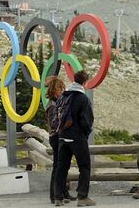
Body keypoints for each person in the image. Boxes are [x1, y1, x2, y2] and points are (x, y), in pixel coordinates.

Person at [54, 70, 95, 207]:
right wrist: (85, 134)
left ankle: (58, 197)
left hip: (62, 136)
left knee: (62, 167)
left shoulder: (64, 96)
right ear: (85, 82)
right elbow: (86, 121)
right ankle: (82, 197)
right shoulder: (83, 98)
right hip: (77, 138)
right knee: (84, 166)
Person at [45, 76, 76, 205]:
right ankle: (54, 195)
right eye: (60, 89)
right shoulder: (52, 105)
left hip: (59, 137)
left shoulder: (57, 103)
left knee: (63, 166)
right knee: (58, 166)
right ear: (53, 90)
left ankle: (63, 192)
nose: (62, 91)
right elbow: (54, 124)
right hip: (56, 137)